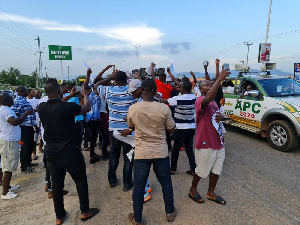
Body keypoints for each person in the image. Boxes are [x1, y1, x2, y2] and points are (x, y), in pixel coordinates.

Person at [38, 78, 99, 225]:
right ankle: (85, 211)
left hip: (52, 152)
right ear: (59, 91)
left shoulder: (42, 107)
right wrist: (85, 95)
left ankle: (59, 216)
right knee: (80, 180)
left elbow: (58, 103)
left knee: (57, 184)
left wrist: (70, 95)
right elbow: (86, 108)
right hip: (70, 151)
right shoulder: (68, 107)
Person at [127, 79, 177, 224]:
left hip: (142, 152)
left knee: (139, 186)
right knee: (166, 183)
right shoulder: (163, 108)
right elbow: (171, 129)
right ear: (155, 91)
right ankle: (169, 212)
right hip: (160, 152)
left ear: (141, 92)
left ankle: (137, 219)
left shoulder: (133, 108)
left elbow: (131, 125)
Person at [188, 66, 230, 205]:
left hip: (218, 141)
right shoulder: (200, 100)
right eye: (206, 85)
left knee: (217, 169)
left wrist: (221, 117)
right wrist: (218, 79)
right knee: (201, 169)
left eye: (210, 84)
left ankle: (211, 192)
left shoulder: (214, 103)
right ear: (200, 89)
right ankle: (193, 189)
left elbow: (217, 116)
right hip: (205, 141)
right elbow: (207, 99)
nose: (209, 86)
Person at [95, 68, 136, 191]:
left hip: (114, 129)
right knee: (128, 156)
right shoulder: (131, 91)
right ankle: (127, 183)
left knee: (114, 155)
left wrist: (109, 77)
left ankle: (112, 180)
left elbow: (96, 85)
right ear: (126, 80)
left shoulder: (108, 90)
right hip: (128, 129)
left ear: (114, 80)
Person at [159, 81, 197, 176]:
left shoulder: (178, 99)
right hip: (191, 127)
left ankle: (173, 169)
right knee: (189, 149)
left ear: (182, 89)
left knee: (176, 149)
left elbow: (165, 101)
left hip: (180, 127)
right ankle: (193, 169)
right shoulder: (195, 98)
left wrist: (157, 95)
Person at [0, 93, 33, 199]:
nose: (13, 99)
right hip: (9, 142)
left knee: (3, 165)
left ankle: (6, 186)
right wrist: (26, 113)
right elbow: (14, 122)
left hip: (7, 139)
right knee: (8, 167)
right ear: (5, 100)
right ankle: (5, 193)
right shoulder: (6, 110)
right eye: (10, 98)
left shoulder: (4, 109)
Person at [149, 63, 180, 151]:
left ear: (160, 78)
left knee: (159, 126)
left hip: (159, 108)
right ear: (165, 79)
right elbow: (177, 87)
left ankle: (159, 145)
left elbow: (152, 75)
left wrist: (152, 66)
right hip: (168, 108)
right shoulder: (168, 86)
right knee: (167, 128)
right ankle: (169, 145)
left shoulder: (158, 84)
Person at [84, 69, 108, 163]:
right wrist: (88, 74)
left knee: (94, 136)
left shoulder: (98, 95)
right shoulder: (92, 95)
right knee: (104, 136)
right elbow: (87, 85)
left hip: (93, 119)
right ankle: (103, 154)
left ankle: (92, 155)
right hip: (92, 119)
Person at [12, 86, 37, 173]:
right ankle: (24, 166)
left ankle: (28, 162)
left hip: (29, 126)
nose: (28, 92)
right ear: (22, 91)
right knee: (25, 146)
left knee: (30, 145)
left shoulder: (23, 99)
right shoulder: (18, 101)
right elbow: (15, 114)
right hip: (23, 127)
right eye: (26, 90)